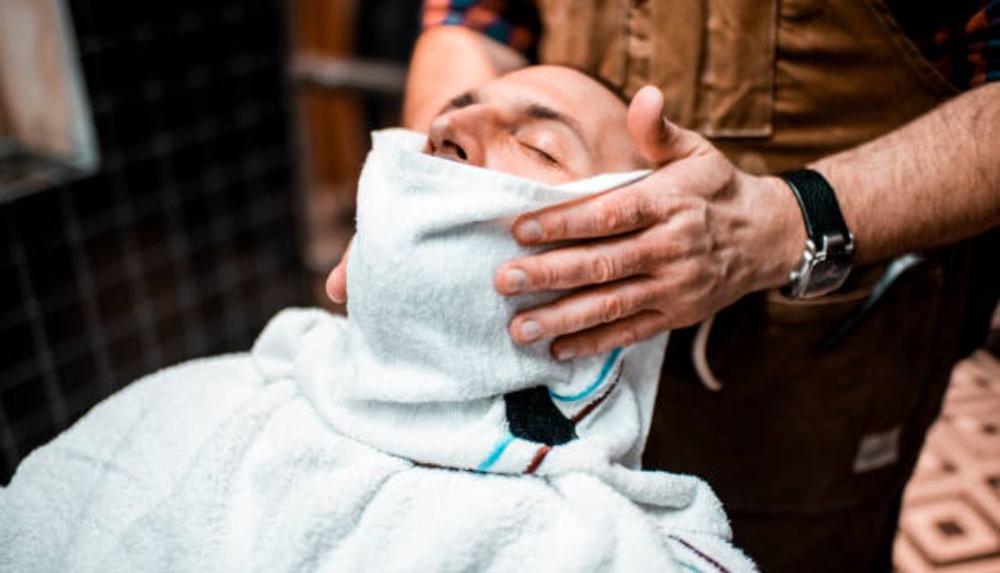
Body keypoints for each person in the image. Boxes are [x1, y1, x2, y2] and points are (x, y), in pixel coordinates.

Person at [328, 0, 1000, 571]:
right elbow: (474, 6)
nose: (447, 123)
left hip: (810, 365)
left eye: (538, 145)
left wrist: (792, 219)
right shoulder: (287, 395)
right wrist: (428, 207)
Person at [1, 66, 758, 573]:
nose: (448, 135)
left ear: (631, 262)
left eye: (535, 143)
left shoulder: (597, 545)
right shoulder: (201, 402)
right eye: (447, 125)